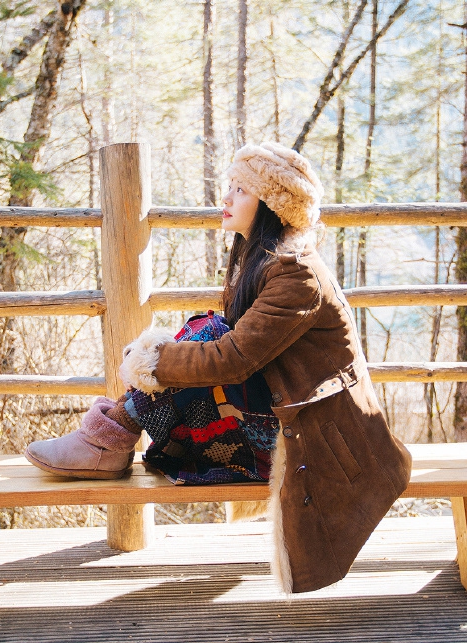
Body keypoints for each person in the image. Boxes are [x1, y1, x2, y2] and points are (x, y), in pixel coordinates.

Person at [25, 142, 412, 594]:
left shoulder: (297, 276)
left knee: (206, 341)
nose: (225, 198)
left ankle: (108, 437)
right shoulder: (264, 261)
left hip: (317, 436)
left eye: (240, 189)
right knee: (205, 333)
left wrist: (154, 361)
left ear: (271, 205)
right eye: (229, 186)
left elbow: (232, 359)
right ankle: (111, 435)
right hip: (286, 413)